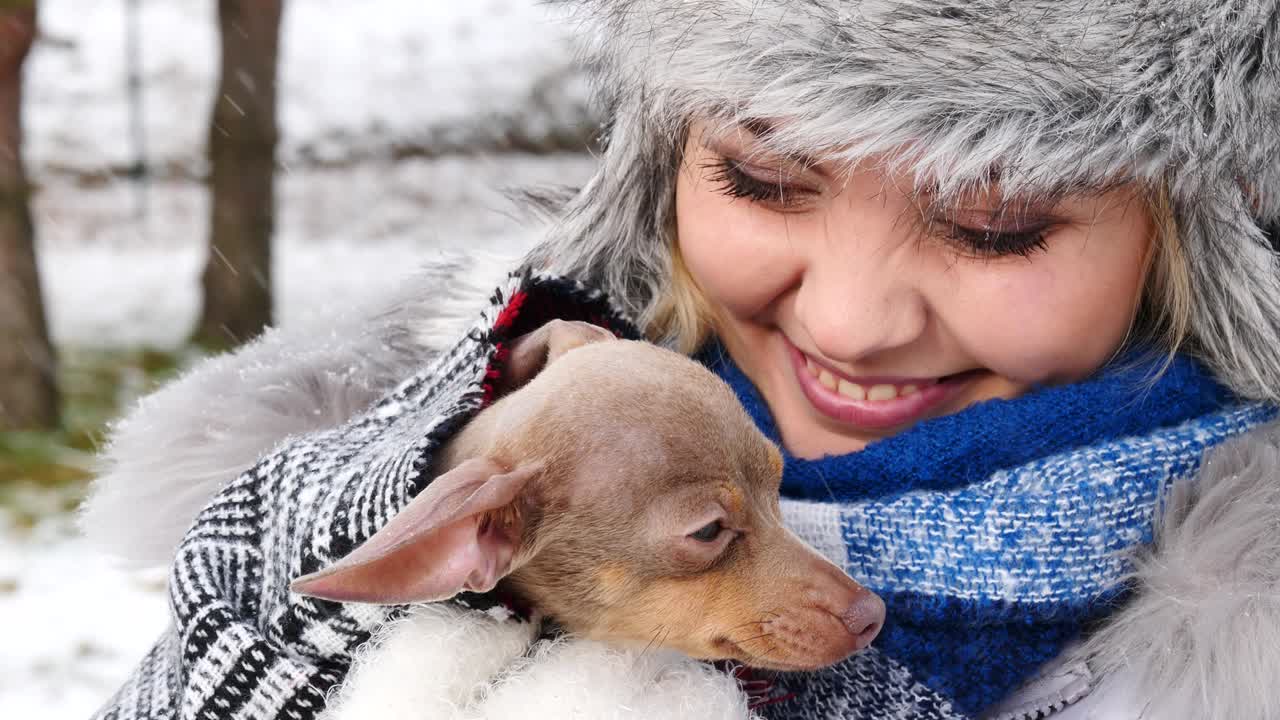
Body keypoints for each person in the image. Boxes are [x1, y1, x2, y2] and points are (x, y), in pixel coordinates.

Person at [85, 1, 1280, 718]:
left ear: (1195, 226)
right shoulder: (338, 460)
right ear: (658, 158)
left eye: (992, 223)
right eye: (761, 180)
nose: (853, 321)